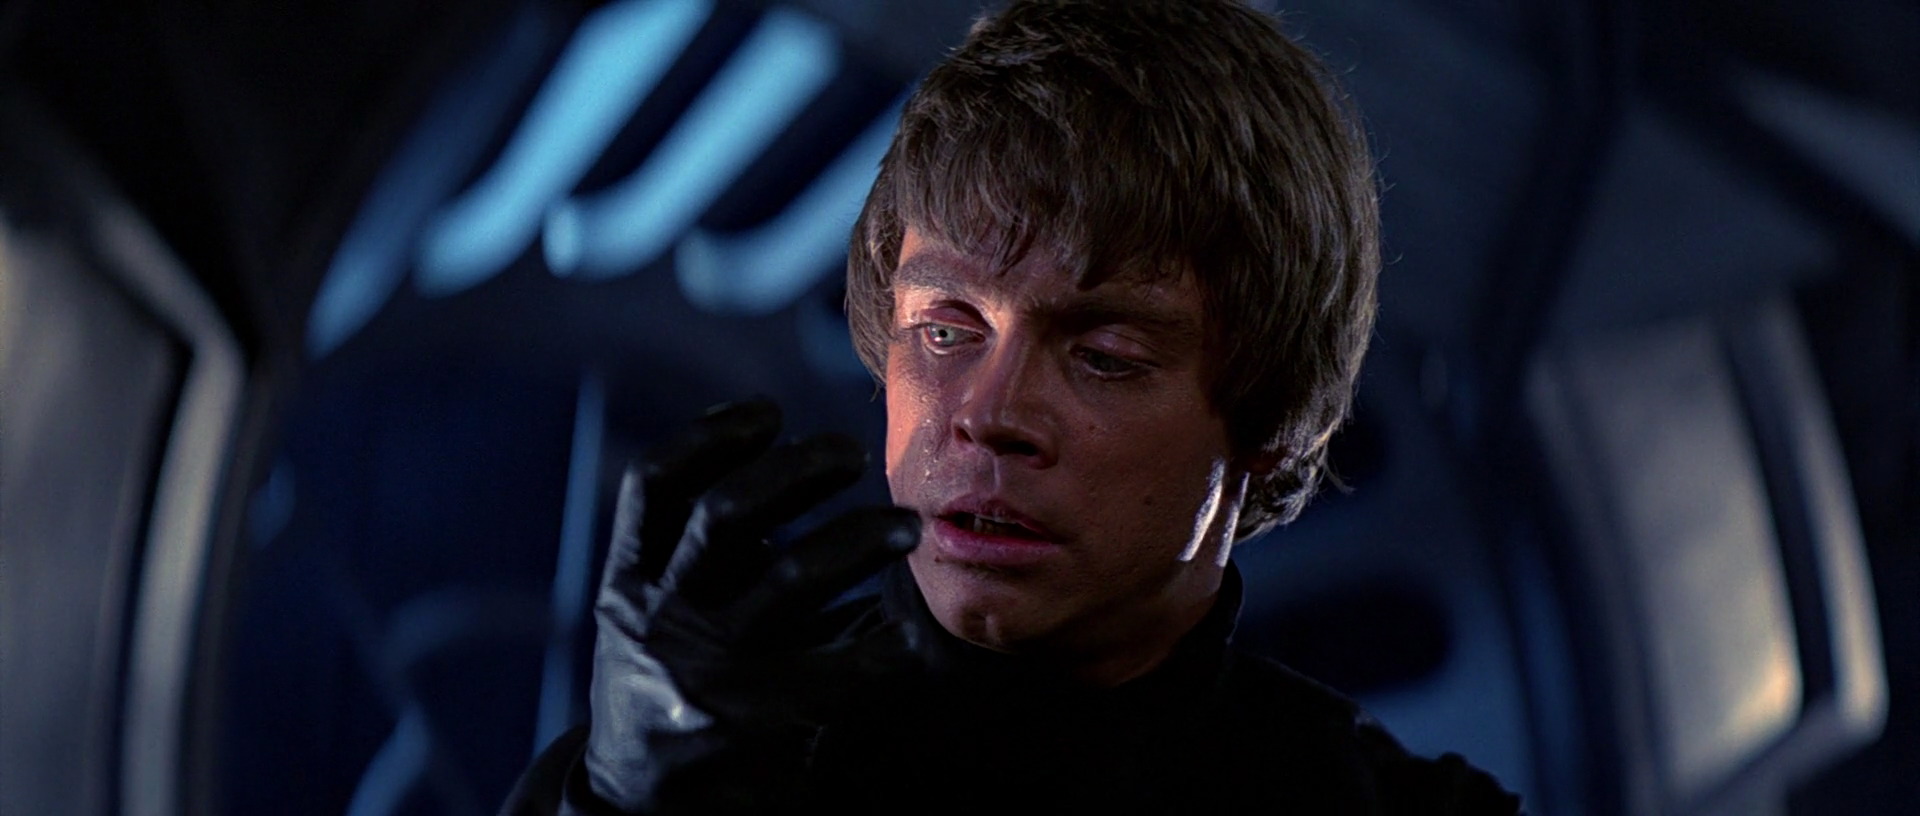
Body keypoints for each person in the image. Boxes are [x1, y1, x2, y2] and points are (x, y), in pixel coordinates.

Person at [503, 0, 1522, 812]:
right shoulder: (678, 779)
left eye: (1106, 357)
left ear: (1277, 422)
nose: (988, 414)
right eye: (946, 331)